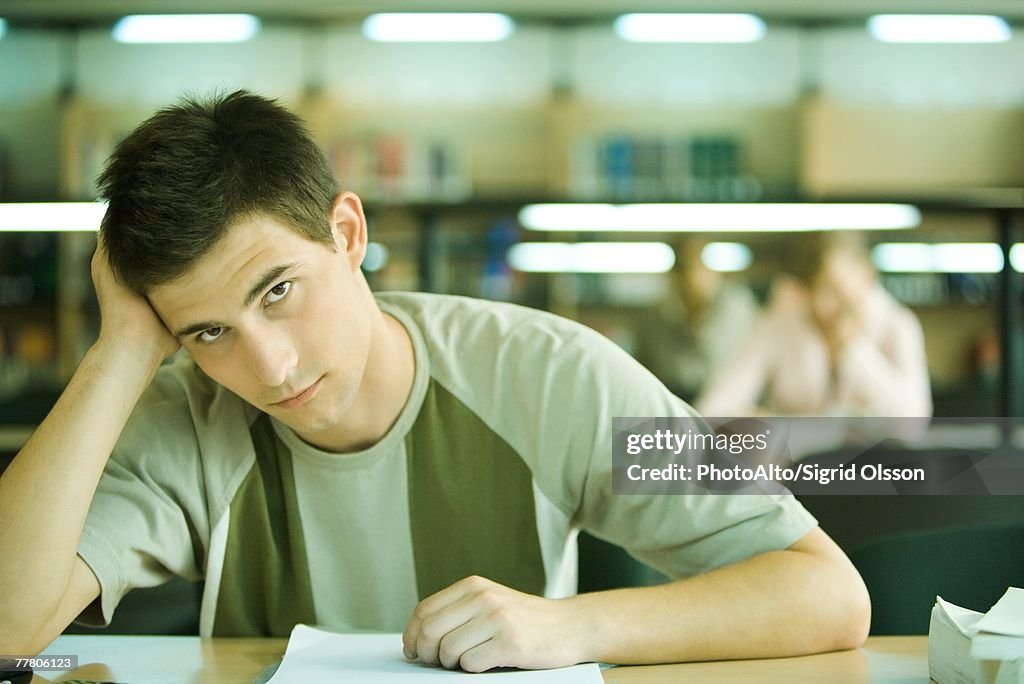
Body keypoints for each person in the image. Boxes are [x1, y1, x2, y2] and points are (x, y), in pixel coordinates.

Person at [0, 91, 869, 671]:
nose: (269, 368)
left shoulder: (552, 377)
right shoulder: (188, 414)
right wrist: (120, 351)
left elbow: (825, 591)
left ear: (346, 232)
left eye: (279, 291)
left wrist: (574, 626)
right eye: (210, 330)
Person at [697, 231, 932, 418]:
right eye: (814, 291)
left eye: (835, 289)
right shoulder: (779, 324)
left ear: (867, 273)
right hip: (794, 472)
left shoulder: (898, 325)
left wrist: (851, 349)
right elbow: (712, 409)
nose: (823, 306)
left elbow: (913, 421)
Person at [637, 237, 758, 402]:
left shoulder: (738, 309)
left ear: (715, 273)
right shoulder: (655, 316)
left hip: (727, 401)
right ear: (674, 275)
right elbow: (645, 370)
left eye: (698, 267)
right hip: (673, 402)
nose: (692, 277)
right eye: (684, 269)